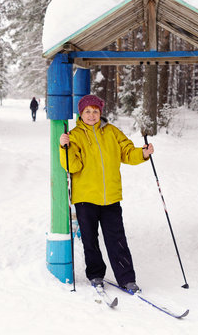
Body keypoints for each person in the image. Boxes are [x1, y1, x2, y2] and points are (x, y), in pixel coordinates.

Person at [59, 95, 154, 292]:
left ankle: (127, 278)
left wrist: (143, 154)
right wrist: (64, 147)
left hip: (110, 196)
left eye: (95, 111)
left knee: (117, 239)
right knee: (90, 240)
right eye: (87, 112)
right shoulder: (75, 135)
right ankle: (95, 275)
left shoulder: (112, 132)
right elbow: (72, 166)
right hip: (85, 198)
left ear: (100, 112)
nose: (92, 115)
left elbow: (127, 152)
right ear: (81, 113)